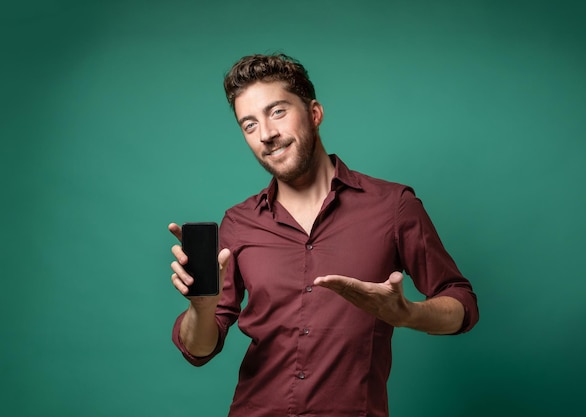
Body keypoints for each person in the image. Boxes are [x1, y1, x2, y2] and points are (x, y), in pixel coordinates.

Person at [169, 53, 479, 417]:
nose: (266, 134)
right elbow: (200, 349)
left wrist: (408, 313)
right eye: (249, 125)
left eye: (278, 111)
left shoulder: (393, 206)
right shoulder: (239, 223)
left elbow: (462, 303)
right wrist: (201, 309)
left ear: (314, 113)